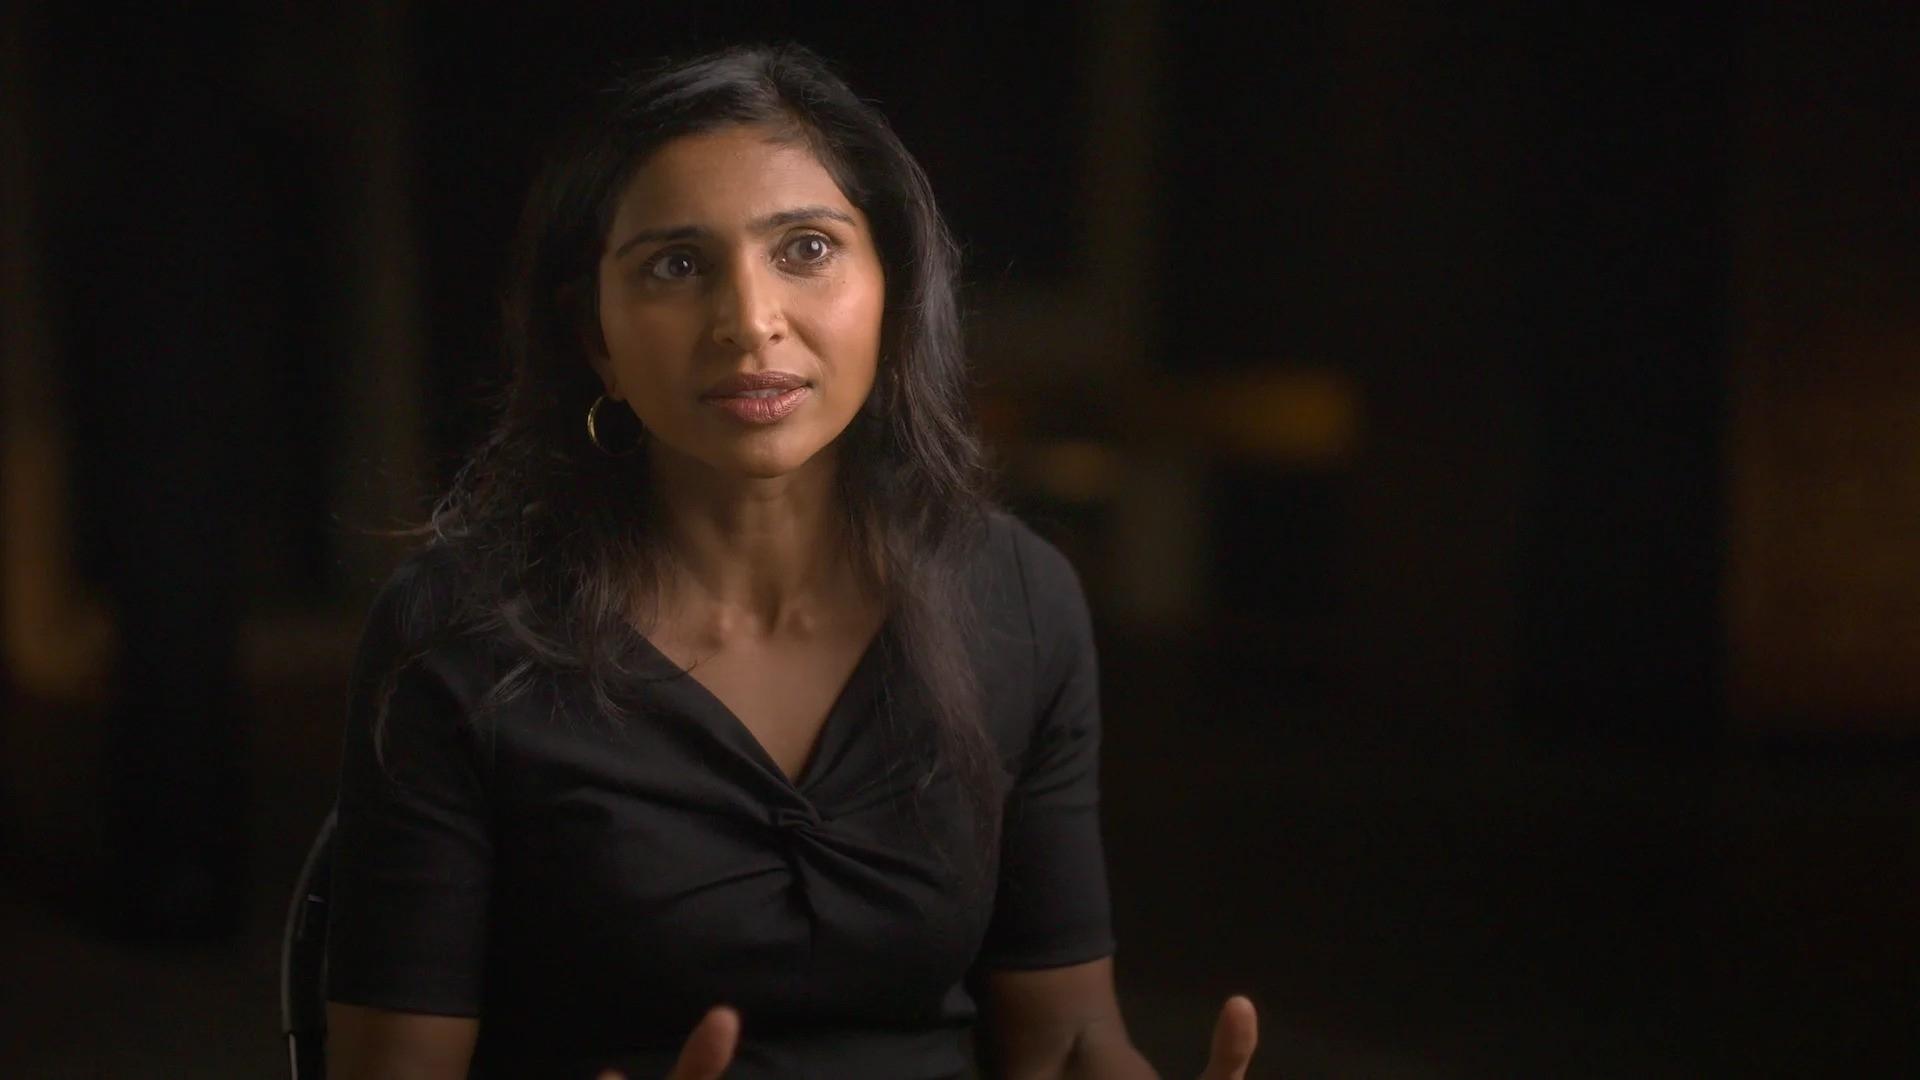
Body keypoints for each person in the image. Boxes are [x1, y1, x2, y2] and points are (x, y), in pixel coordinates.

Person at [323, 44, 1258, 1079]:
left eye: (807, 249)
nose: (750, 322)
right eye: (677, 266)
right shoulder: (457, 633)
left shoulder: (1018, 597)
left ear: (893, 293)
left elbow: (1067, 1034)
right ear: (595, 338)